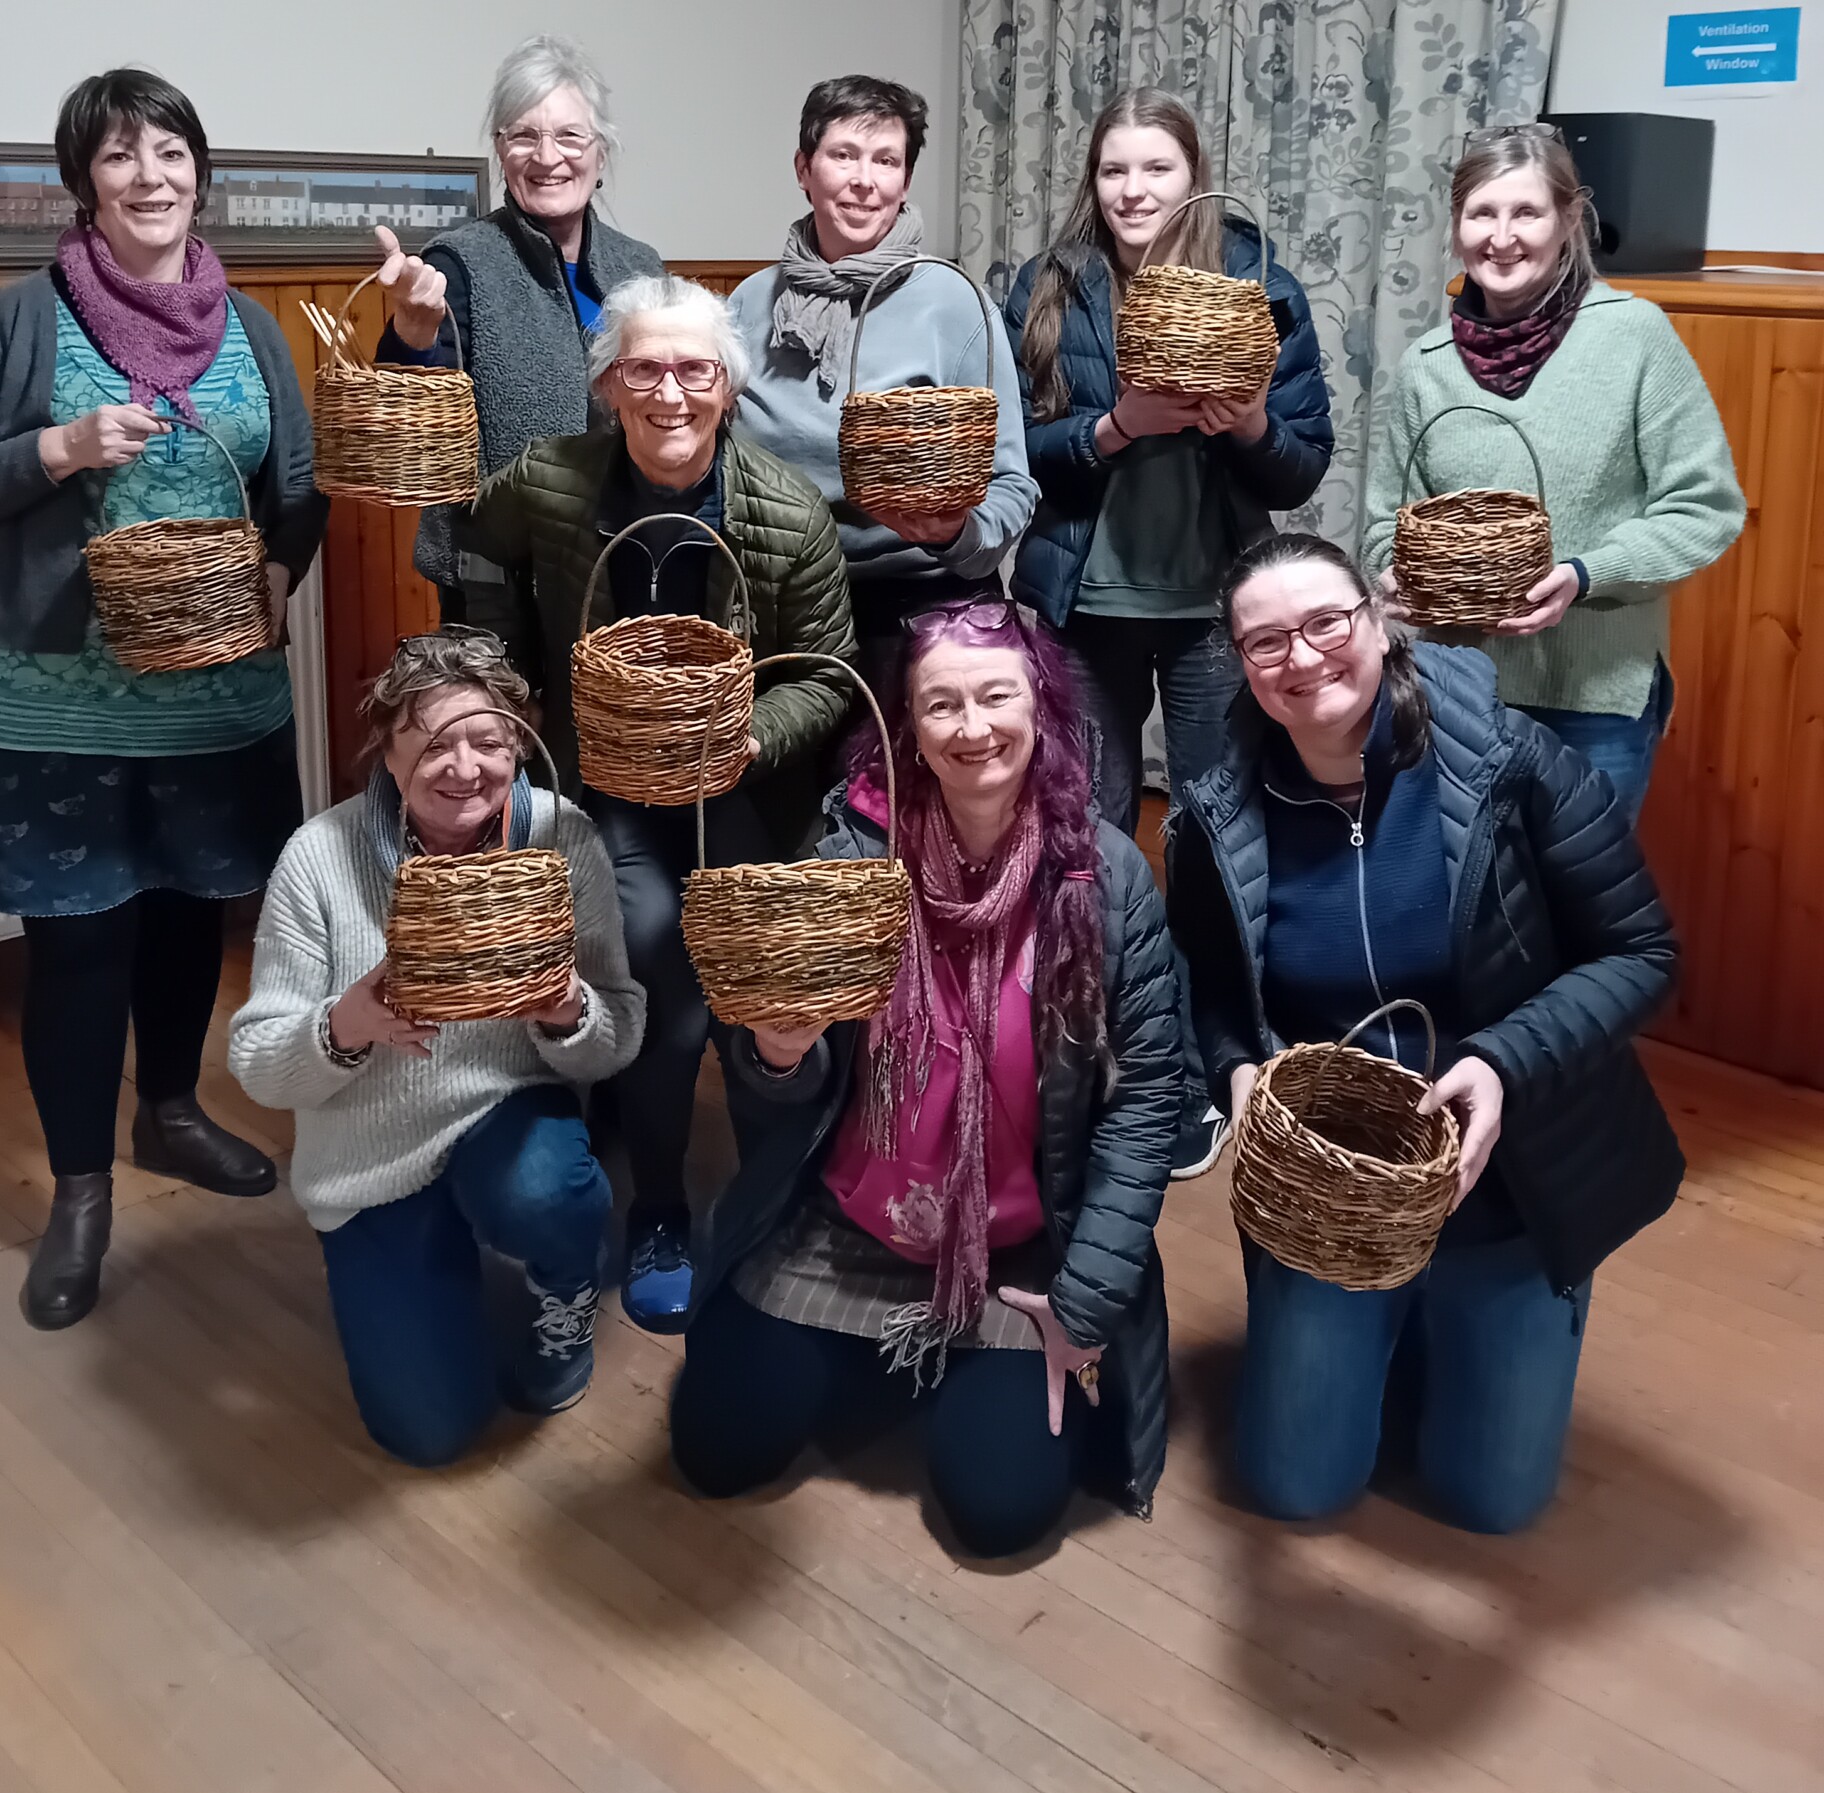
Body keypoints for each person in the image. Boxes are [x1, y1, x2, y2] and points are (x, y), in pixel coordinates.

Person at [0, 68, 327, 1331]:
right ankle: (80, 1189)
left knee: (197, 916)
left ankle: (174, 1111)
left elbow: (295, 487)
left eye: (170, 151)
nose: (149, 175)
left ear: (202, 171)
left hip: (213, 699)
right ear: (86, 180)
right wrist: (59, 449)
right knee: (81, 943)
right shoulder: (25, 318)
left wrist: (281, 563)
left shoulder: (248, 328)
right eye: (118, 157)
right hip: (54, 705)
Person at [1170, 532, 1683, 1533]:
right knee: (1297, 1487)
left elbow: (1642, 951)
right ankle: (1377, 1332)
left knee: (1489, 1499)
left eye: (1327, 622)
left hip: (1513, 1179)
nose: (1304, 658)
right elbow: (1210, 992)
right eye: (1266, 641)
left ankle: (1486, 1315)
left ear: (1380, 622)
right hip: (1337, 1201)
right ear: (1239, 664)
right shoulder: (1217, 813)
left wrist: (1501, 1059)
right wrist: (1234, 1071)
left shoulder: (1509, 759)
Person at [671, 602, 1184, 1559]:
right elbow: (778, 1082)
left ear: (1042, 709)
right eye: (941, 704)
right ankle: (897, 1356)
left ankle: (928, 1361)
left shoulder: (1102, 878)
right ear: (907, 726)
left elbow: (1149, 1096)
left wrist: (1085, 1302)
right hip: (846, 1225)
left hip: (1021, 1249)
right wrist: (778, 1051)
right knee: (714, 1450)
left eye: (997, 695)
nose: (973, 727)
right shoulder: (849, 860)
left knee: (1001, 1512)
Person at [466, 274, 857, 1332]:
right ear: (608, 384)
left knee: (758, 961)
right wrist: (504, 676)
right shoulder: (553, 482)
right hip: (608, 786)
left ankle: (789, 1198)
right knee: (649, 940)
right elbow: (471, 540)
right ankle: (661, 1207)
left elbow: (827, 672)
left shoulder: (784, 509)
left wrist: (748, 739)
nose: (670, 393)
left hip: (739, 789)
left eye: (695, 369)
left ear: (727, 386)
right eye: (644, 368)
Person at [1006, 88, 1332, 1180]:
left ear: (1193, 174)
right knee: (1088, 844)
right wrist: (1112, 428)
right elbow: (1022, 455)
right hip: (1084, 609)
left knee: (1207, 839)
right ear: (1091, 181)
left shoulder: (1256, 278)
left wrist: (1244, 421)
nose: (1134, 190)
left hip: (1213, 615)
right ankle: (1089, 1059)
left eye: (1155, 168)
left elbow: (1301, 463)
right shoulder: (1053, 284)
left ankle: (1196, 1067)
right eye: (1114, 171)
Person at [230, 631, 643, 1465]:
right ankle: (419, 1259)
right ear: (386, 754)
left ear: (520, 744)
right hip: (370, 1152)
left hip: (507, 1113)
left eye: (488, 741)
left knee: (545, 1193)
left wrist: (567, 1009)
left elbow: (618, 1035)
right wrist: (344, 1025)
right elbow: (258, 1062)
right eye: (433, 743)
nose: (465, 769)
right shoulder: (320, 857)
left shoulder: (561, 838)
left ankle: (560, 1280)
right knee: (431, 1432)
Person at [1363, 123, 1744, 814]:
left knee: (1578, 911)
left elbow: (1705, 506)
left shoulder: (1633, 337)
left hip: (1596, 699)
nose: (1501, 237)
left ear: (1569, 219)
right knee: (1465, 902)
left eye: (1527, 213)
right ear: (1456, 226)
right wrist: (1395, 578)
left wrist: (1583, 575)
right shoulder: (1427, 367)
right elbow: (1382, 522)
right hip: (1457, 691)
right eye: (1482, 213)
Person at [374, 32, 663, 678]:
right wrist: (412, 335)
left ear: (601, 151)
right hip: (496, 592)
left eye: (569, 136)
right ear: (501, 150)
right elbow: (415, 427)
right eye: (523, 136)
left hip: (624, 573)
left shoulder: (640, 268)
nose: (547, 157)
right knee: (512, 767)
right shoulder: (462, 260)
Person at [728, 76, 1035, 670]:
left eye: (886, 160)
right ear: (803, 168)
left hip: (926, 612)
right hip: (780, 609)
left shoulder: (954, 303)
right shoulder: (747, 304)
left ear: (905, 180)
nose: (864, 180)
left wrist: (953, 535)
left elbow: (1011, 483)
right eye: (843, 155)